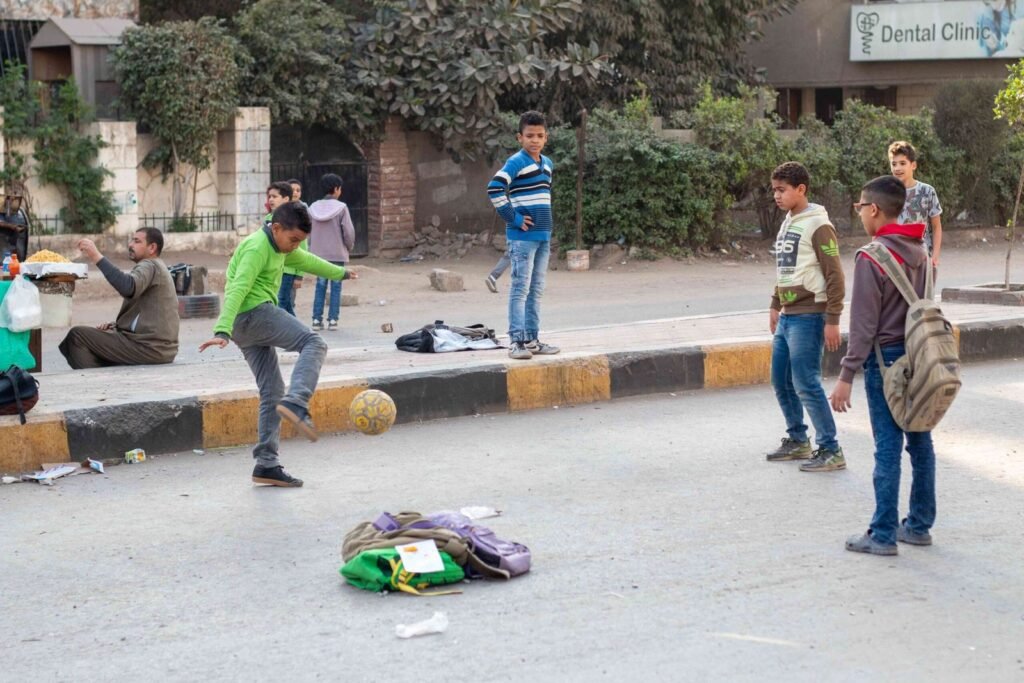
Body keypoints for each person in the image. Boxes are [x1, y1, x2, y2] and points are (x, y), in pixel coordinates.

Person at [199, 202, 357, 487]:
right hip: (252, 314)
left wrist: (340, 273)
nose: (295, 247)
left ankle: (266, 464)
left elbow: (309, 262)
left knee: (272, 391)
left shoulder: (281, 246)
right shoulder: (257, 247)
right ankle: (297, 402)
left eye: (300, 242)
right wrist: (221, 329)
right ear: (276, 228)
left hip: (244, 325)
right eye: (293, 240)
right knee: (314, 343)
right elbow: (237, 286)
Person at [830, 175, 936, 556]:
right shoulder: (920, 251)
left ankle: (882, 534)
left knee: (887, 447)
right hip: (918, 356)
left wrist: (845, 375)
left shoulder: (871, 257)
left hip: (885, 361)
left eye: (860, 207)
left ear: (873, 210)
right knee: (920, 441)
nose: (859, 213)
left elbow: (863, 326)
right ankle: (919, 526)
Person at [765, 162, 846, 472]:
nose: (776, 195)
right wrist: (775, 303)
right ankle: (798, 439)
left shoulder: (818, 225)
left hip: (810, 315)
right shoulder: (789, 221)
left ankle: (831, 448)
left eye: (782, 190)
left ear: (801, 189)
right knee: (781, 380)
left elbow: (835, 275)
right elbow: (786, 268)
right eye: (774, 190)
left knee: (806, 382)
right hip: (788, 315)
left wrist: (833, 319)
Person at [487, 110, 560, 359]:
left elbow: (543, 195)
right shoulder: (516, 162)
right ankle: (516, 342)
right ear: (520, 137)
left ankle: (532, 339)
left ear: (546, 138)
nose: (534, 140)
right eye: (529, 135)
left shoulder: (547, 164)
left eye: (539, 135)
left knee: (536, 289)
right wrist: (514, 218)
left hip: (543, 236)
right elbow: (495, 188)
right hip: (521, 238)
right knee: (520, 289)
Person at [59, 228, 179, 369]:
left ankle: (93, 379)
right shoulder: (156, 267)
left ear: (152, 247)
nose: (130, 245)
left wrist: (96, 256)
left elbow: (128, 287)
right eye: (131, 240)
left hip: (150, 348)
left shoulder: (150, 265)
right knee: (92, 341)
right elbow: (146, 313)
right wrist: (116, 326)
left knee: (77, 336)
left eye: (137, 241)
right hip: (158, 348)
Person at [307, 173, 355, 331]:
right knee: (336, 285)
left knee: (320, 285)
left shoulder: (312, 207)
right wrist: (349, 246)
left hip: (318, 254)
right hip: (336, 253)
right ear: (336, 189)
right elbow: (348, 232)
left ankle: (316, 320)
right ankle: (333, 320)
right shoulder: (342, 208)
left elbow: (308, 231)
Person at [888, 141, 942, 267]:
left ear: (913, 165)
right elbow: (879, 228)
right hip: (894, 259)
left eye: (902, 163)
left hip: (922, 258)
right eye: (894, 164)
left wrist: (935, 256)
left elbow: (936, 227)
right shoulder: (887, 192)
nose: (897, 168)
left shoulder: (927, 191)